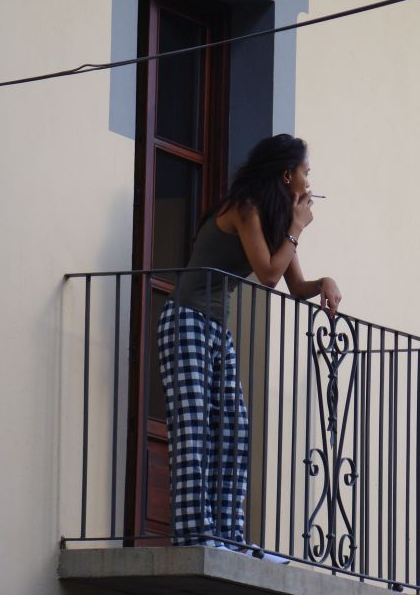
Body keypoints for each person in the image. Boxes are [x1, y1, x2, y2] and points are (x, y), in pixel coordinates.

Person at [156, 134, 342, 563]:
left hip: (216, 329)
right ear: (286, 174)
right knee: (194, 429)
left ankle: (228, 536)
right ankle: (195, 537)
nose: (309, 178)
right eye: (305, 171)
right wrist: (296, 228)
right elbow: (268, 274)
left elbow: (295, 285)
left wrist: (324, 282)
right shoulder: (246, 209)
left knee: (235, 430)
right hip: (186, 319)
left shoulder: (272, 219)